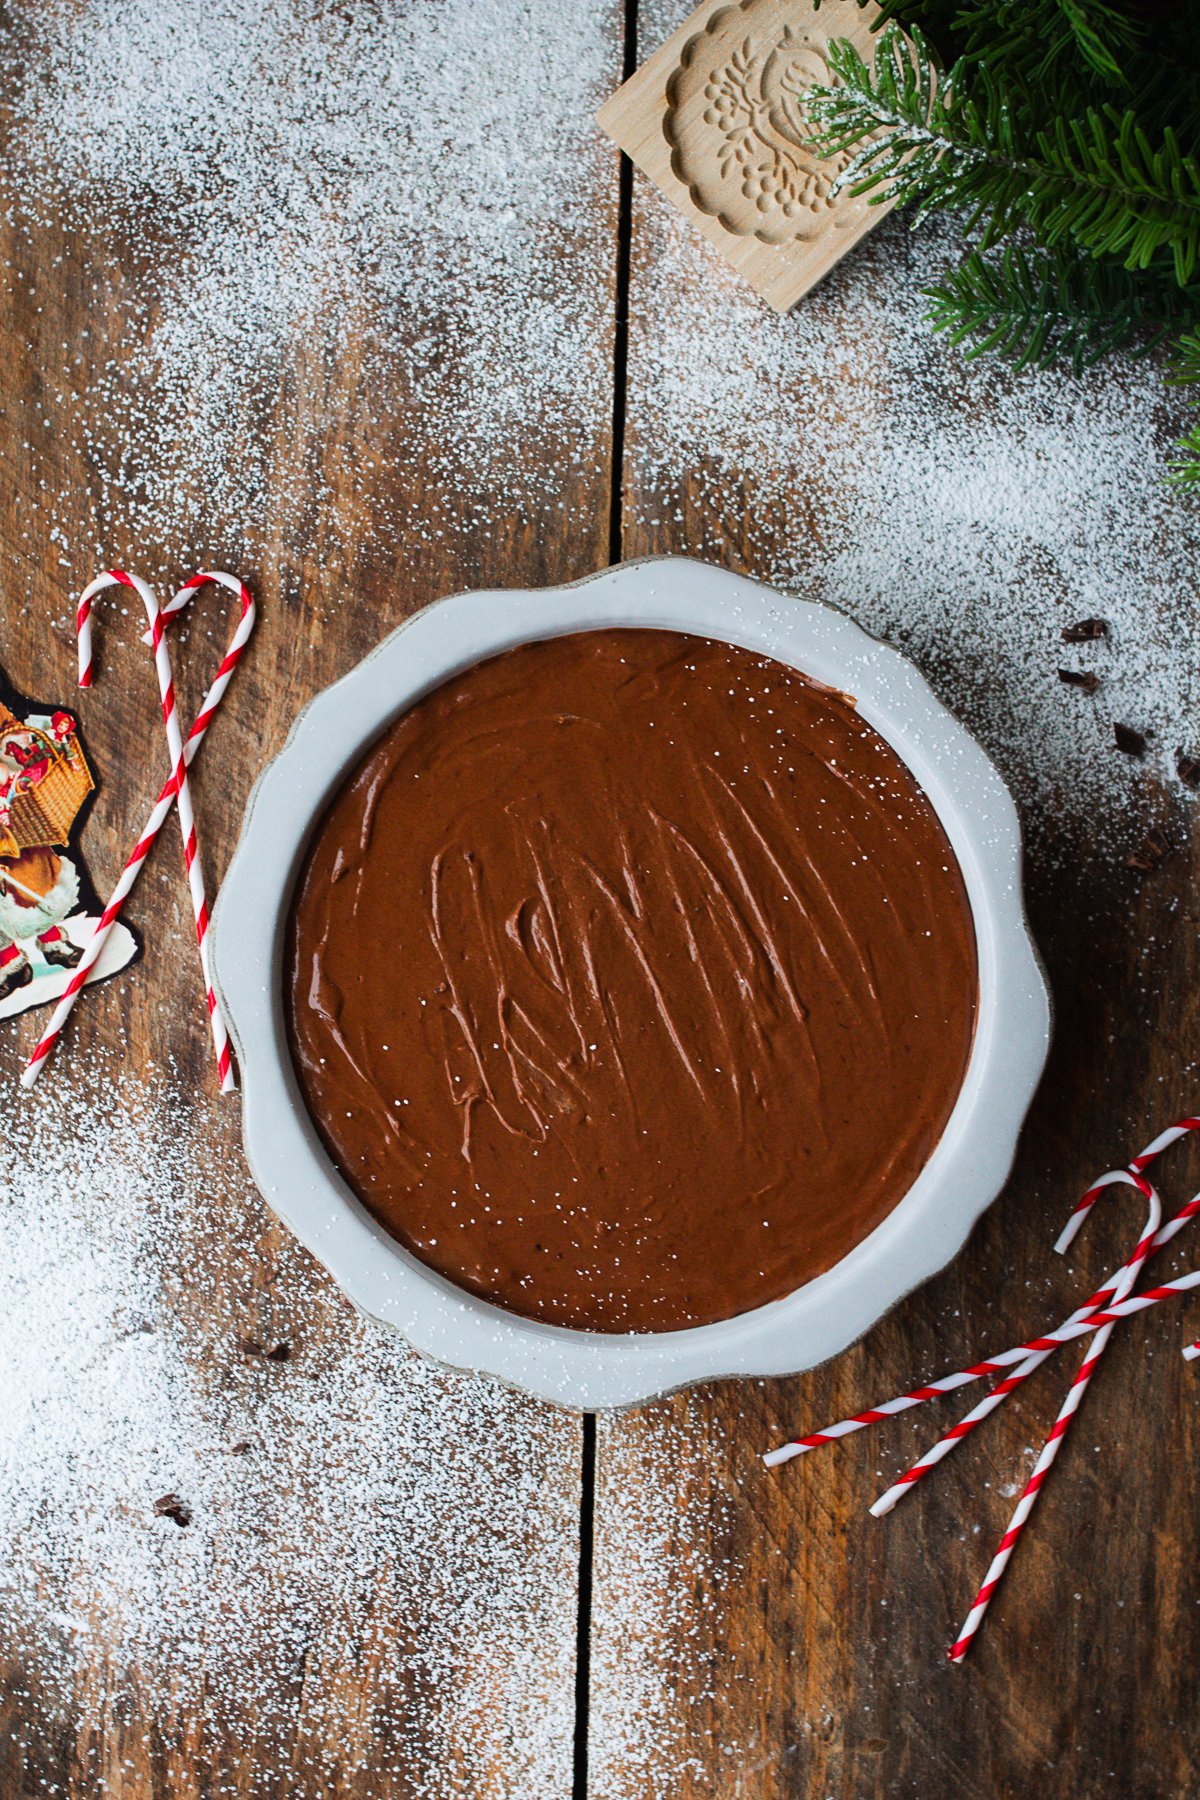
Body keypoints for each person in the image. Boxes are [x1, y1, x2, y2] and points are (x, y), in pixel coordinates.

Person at [0, 708, 85, 1003]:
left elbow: (10, 730)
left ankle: (53, 944)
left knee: (34, 885)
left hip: (14, 822)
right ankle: (10, 965)